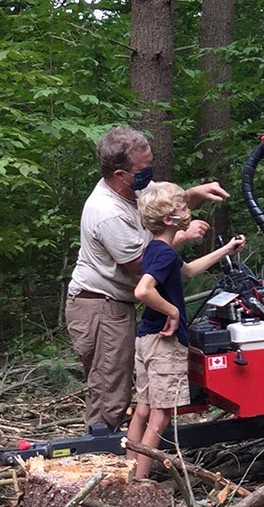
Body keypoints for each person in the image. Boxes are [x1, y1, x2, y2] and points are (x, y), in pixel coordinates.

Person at [66, 126, 230, 432]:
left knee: (120, 386)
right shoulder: (107, 212)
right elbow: (143, 265)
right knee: (109, 389)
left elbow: (163, 206)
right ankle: (104, 458)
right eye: (143, 169)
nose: (148, 174)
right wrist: (182, 236)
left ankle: (127, 456)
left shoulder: (135, 188)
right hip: (99, 306)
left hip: (117, 303)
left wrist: (192, 195)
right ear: (120, 174)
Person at [126, 182, 245, 479]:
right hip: (163, 342)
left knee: (143, 408)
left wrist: (227, 249)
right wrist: (173, 311)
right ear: (169, 220)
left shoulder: (158, 249)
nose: (187, 209)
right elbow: (143, 291)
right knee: (161, 413)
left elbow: (189, 271)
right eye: (182, 207)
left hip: (145, 338)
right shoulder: (164, 254)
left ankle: (126, 472)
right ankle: (138, 481)